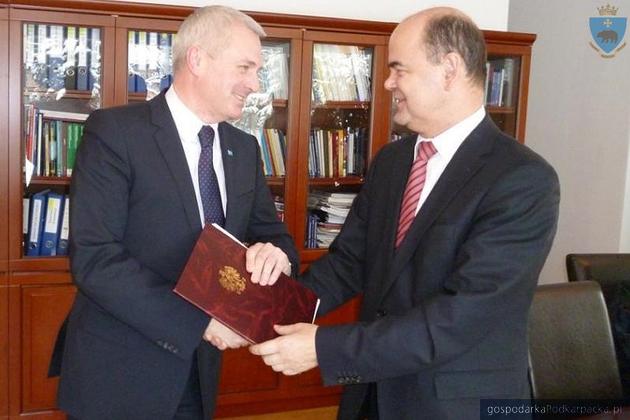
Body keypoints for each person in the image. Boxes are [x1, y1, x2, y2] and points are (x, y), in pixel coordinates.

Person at [250, 7, 560, 420]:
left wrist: (324, 348)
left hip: (456, 403)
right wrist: (268, 310)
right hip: (372, 395)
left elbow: (461, 315)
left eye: (399, 69)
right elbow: (349, 263)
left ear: (449, 69)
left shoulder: (523, 180)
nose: (387, 82)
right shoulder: (393, 161)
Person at [54, 5, 298, 420]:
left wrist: (279, 255)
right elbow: (96, 259)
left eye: (257, 71)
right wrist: (196, 323)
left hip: (200, 373)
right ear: (198, 59)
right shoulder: (116, 133)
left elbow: (271, 234)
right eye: (245, 67)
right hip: (119, 372)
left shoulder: (244, 150)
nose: (254, 84)